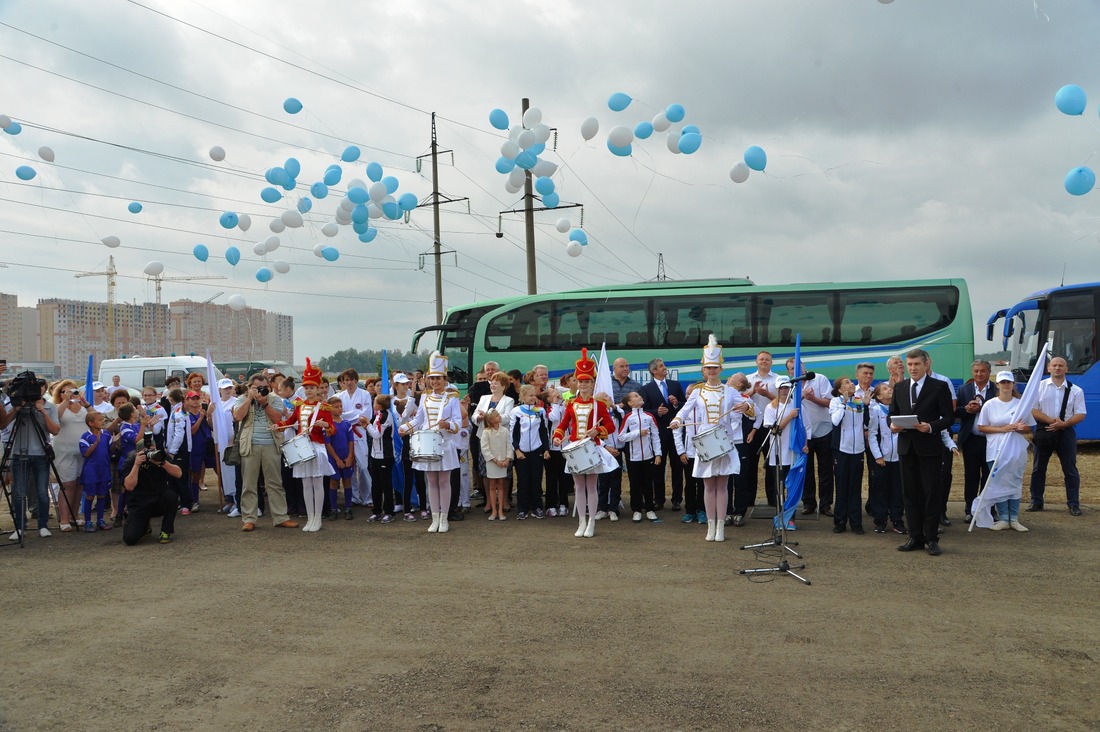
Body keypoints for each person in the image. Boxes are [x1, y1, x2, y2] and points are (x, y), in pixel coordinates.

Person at [670, 336, 749, 542]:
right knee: (708, 486)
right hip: (705, 442)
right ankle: (710, 527)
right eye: (708, 368)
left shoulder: (730, 391)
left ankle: (721, 527)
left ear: (721, 369)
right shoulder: (697, 392)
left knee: (722, 485)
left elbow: (752, 409)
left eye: (715, 367)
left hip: (724, 442)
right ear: (703, 370)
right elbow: (684, 411)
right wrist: (677, 420)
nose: (712, 371)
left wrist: (745, 407)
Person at [890, 348, 954, 556]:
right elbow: (892, 415)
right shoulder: (900, 387)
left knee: (931, 493)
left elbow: (949, 418)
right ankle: (915, 536)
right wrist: (893, 426)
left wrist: (931, 426)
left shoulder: (940, 387)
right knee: (910, 494)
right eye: (909, 365)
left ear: (926, 364)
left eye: (916, 364)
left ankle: (931, 538)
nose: (913, 368)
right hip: (906, 448)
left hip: (930, 449)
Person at [552, 347, 618, 539]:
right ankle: (581, 521)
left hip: (592, 448)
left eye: (587, 381)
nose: (584, 384)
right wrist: (558, 436)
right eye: (581, 381)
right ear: (577, 383)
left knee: (591, 486)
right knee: (578, 486)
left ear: (593, 383)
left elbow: (610, 427)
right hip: (575, 448)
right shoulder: (571, 404)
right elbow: (564, 424)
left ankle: (591, 522)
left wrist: (598, 430)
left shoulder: (599, 405)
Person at [400, 351, 462, 533]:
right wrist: (405, 428)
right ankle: (434, 518)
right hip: (428, 444)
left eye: (439, 379)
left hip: (445, 444)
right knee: (431, 483)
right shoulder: (425, 397)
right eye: (432, 378)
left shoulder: (452, 397)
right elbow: (419, 420)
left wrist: (448, 424)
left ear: (445, 379)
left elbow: (458, 423)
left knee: (444, 482)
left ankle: (444, 519)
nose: (435, 382)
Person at [273, 359, 336, 533]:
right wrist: (278, 425)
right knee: (306, 484)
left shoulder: (324, 407)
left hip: (316, 447)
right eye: (306, 387)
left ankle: (318, 517)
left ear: (318, 389)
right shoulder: (299, 406)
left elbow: (332, 428)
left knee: (317, 483)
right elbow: (290, 421)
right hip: (302, 447)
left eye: (312, 387)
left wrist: (325, 426)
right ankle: (309, 517)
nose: (309, 391)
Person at [233, 372, 298, 532]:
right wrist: (249, 398)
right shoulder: (242, 399)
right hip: (250, 445)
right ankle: (249, 519)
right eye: (256, 388)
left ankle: (281, 517)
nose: (261, 391)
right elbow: (237, 416)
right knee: (249, 484)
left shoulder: (275, 399)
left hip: (271, 444)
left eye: (264, 388)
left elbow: (278, 420)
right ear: (249, 387)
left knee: (275, 483)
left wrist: (264, 403)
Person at [1, 376, 61, 540]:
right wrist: (16, 408)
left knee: (42, 491)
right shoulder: (13, 405)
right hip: (18, 453)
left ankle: (43, 525)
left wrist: (41, 411)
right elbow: (3, 425)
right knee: (19, 493)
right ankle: (20, 527)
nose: (38, 390)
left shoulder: (49, 407)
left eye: (41, 387)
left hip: (41, 454)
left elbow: (55, 430)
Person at [1027, 356, 1086, 515]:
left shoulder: (1076, 390)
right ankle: (1036, 501)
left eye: (1061, 366)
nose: (1057, 368)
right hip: (1044, 431)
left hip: (1066, 432)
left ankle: (1073, 503)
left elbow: (1080, 414)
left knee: (1070, 469)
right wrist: (1052, 421)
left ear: (1066, 369)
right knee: (1038, 468)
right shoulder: (1039, 387)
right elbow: (1033, 410)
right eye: (1054, 365)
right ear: (1048, 368)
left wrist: (1064, 424)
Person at [977, 371, 1035, 531]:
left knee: (1015, 481)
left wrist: (1021, 429)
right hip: (995, 450)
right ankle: (1003, 517)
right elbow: (982, 427)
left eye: (1008, 382)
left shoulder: (1021, 404)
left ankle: (1014, 518)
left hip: (1016, 450)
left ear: (1013, 384)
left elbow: (1029, 427)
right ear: (998, 384)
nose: (1006, 385)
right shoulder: (990, 404)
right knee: (999, 482)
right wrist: (1003, 429)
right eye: (1002, 382)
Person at [786, 357, 834, 517]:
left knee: (825, 469)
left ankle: (826, 504)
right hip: (804, 434)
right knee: (806, 470)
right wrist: (803, 397)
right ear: (789, 372)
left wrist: (813, 398)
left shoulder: (819, 379)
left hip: (824, 430)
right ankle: (808, 503)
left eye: (798, 367)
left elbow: (830, 403)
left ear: (804, 367)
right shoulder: (790, 385)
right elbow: (789, 407)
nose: (796, 371)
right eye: (792, 369)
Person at [640, 357, 686, 512]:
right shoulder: (646, 388)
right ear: (654, 371)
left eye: (664, 366)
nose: (665, 368)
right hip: (658, 433)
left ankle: (677, 499)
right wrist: (656, 412)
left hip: (676, 432)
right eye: (661, 366)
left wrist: (675, 403)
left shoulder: (675, 385)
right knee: (658, 467)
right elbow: (644, 410)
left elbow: (685, 406)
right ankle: (658, 499)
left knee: (677, 466)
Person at [956, 360, 996, 522]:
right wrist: (967, 409)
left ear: (989, 372)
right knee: (971, 475)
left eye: (983, 371)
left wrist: (982, 407)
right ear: (972, 372)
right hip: (970, 439)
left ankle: (988, 509)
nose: (979, 374)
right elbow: (956, 411)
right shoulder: (964, 389)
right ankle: (969, 509)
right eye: (976, 371)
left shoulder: (997, 389)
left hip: (991, 440)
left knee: (989, 476)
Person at [121, 446, 182, 545]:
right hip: (139, 504)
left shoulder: (161, 457)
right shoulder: (131, 460)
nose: (150, 453)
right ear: (138, 452)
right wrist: (136, 465)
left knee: (171, 496)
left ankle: (165, 531)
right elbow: (129, 486)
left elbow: (178, 473)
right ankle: (144, 527)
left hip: (158, 500)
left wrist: (163, 463)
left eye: (152, 450)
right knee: (130, 539)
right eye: (146, 451)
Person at [829, 377, 866, 535]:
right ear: (839, 389)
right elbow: (836, 421)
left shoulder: (858, 400)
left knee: (855, 488)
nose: (851, 384)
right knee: (842, 486)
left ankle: (856, 522)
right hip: (841, 450)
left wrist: (868, 405)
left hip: (857, 450)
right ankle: (840, 521)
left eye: (851, 382)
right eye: (847, 382)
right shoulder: (835, 402)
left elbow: (863, 422)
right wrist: (843, 403)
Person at [867, 383, 906, 534]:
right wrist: (878, 456)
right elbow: (872, 434)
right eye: (885, 389)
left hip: (898, 458)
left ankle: (897, 520)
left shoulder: (899, 409)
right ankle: (880, 520)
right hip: (881, 459)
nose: (889, 389)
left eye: (890, 387)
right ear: (878, 396)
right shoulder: (875, 410)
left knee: (897, 490)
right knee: (880, 490)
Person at [763, 376, 800, 531]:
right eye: (781, 388)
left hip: (793, 454)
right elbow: (774, 430)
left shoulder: (797, 405)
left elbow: (807, 427)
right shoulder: (771, 408)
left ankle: (790, 518)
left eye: (786, 388)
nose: (784, 390)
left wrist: (804, 445)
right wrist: (789, 417)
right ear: (777, 390)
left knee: (792, 488)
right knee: (779, 489)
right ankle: (780, 517)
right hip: (777, 454)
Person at [619, 391, 662, 523]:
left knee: (648, 484)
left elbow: (655, 436)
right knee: (635, 485)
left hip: (648, 457)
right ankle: (636, 510)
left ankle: (650, 509)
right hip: (633, 458)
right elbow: (621, 437)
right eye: (636, 396)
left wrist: (658, 454)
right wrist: (637, 433)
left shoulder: (649, 416)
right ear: (630, 403)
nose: (640, 397)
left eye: (639, 395)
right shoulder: (628, 417)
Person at [50, 380, 87, 531]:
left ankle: (74, 515)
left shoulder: (83, 407)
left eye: (74, 391)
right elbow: (56, 418)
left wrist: (85, 401)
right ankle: (64, 518)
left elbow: (96, 418)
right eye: (67, 391)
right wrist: (66, 400)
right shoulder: (58, 407)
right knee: (67, 484)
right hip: (64, 451)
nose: (72, 394)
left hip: (82, 451)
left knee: (79, 484)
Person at [335, 368, 373, 508]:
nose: (349, 382)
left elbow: (366, 415)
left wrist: (346, 416)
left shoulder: (364, 394)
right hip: (345, 435)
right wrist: (355, 415)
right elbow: (337, 415)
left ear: (356, 380)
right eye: (346, 380)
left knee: (363, 467)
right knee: (349, 467)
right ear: (343, 382)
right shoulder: (340, 397)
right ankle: (354, 497)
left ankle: (368, 497)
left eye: (351, 379)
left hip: (359, 433)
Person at [511, 384, 549, 520]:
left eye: (534, 395)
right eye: (530, 395)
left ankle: (537, 507)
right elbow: (512, 433)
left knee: (536, 479)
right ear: (522, 397)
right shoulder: (516, 412)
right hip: (522, 452)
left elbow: (544, 431)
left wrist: (546, 449)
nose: (533, 397)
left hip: (537, 450)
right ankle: (522, 508)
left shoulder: (540, 411)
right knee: (523, 481)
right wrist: (516, 449)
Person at [746, 351, 778, 507]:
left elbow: (784, 401)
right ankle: (749, 498)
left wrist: (767, 394)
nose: (764, 361)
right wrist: (753, 391)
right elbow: (739, 399)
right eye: (761, 359)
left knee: (772, 463)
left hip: (771, 426)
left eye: (767, 359)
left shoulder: (778, 379)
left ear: (771, 362)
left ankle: (773, 499)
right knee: (750, 464)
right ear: (756, 362)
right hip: (752, 427)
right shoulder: (748, 379)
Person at [365, 394, 398, 523]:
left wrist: (367, 424)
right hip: (375, 455)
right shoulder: (378, 414)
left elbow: (377, 434)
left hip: (385, 455)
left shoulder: (385, 416)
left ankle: (389, 511)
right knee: (376, 485)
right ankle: (376, 511)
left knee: (386, 485)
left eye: (374, 402)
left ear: (378, 405)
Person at [326, 396, 359, 521]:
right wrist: (337, 460)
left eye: (340, 406)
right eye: (336, 407)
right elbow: (328, 444)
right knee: (334, 482)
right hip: (334, 459)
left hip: (346, 458)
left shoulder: (346, 424)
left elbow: (351, 441)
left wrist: (350, 456)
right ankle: (334, 509)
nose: (339, 409)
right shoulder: (328, 425)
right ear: (330, 409)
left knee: (347, 481)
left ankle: (348, 508)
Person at [79, 411, 113, 532]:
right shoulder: (85, 436)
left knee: (102, 495)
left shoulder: (107, 434)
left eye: (103, 419)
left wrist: (115, 441)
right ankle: (87, 521)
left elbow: (109, 451)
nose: (103, 421)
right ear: (91, 423)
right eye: (100, 420)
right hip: (91, 471)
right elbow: (86, 453)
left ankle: (100, 520)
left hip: (103, 469)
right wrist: (95, 443)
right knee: (89, 496)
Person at [480, 409, 511, 521]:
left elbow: (509, 445)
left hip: (503, 462)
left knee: (501, 485)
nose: (499, 417)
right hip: (492, 463)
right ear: (491, 420)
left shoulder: (505, 431)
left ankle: (500, 511)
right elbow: (485, 449)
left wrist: (507, 459)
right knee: (492, 485)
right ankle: (494, 510)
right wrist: (496, 461)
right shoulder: (486, 432)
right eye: (497, 415)